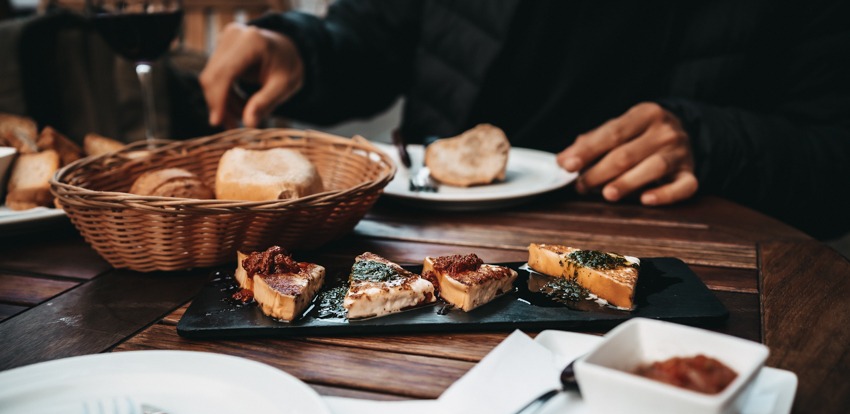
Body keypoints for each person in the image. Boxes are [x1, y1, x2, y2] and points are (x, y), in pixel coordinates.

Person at [199, 0, 850, 240]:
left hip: (684, 267)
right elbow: (378, 33)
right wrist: (300, 49)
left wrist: (712, 141)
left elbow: (832, 159)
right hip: (437, 242)